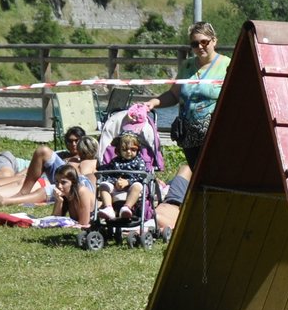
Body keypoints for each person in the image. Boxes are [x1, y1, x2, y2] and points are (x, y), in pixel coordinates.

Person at [139, 21, 229, 172]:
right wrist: (153, 103)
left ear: (214, 40)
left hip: (216, 137)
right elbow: (174, 95)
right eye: (195, 44)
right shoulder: (187, 66)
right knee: (197, 178)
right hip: (188, 137)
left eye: (204, 42)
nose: (200, 47)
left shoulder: (227, 65)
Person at [0, 135, 97, 208]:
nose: (81, 151)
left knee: (46, 190)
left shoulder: (95, 162)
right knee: (43, 151)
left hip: (77, 184)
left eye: (86, 150)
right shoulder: (70, 157)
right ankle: (23, 192)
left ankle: (5, 201)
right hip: (63, 174)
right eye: (81, 149)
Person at [96, 132, 149, 222]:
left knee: (137, 186)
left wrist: (128, 182)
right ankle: (108, 208)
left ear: (138, 150)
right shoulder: (115, 161)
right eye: (125, 149)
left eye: (133, 149)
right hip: (116, 186)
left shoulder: (139, 162)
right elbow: (108, 174)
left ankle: (126, 208)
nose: (129, 152)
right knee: (103, 185)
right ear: (119, 150)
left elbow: (141, 176)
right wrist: (115, 182)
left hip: (131, 188)